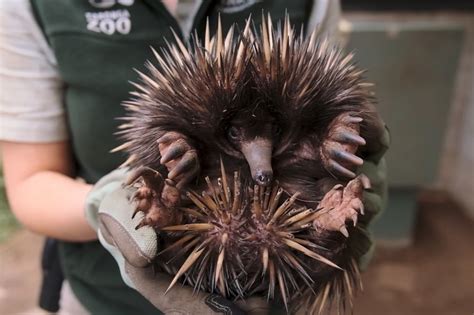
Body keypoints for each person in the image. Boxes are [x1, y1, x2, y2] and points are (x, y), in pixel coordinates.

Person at [0, 0, 388, 314]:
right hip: (123, 284)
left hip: (294, 228)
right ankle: (167, 218)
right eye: (239, 136)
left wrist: (342, 135)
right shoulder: (31, 6)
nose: (260, 165)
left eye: (269, 133)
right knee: (199, 223)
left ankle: (324, 233)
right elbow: (31, 183)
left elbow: (337, 89)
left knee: (314, 232)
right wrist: (100, 204)